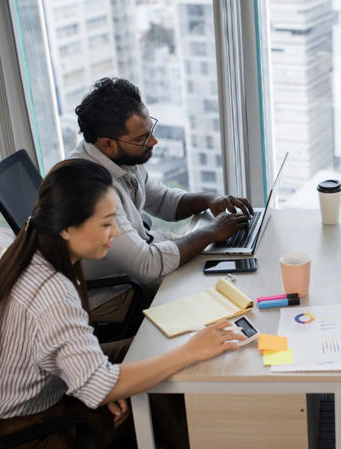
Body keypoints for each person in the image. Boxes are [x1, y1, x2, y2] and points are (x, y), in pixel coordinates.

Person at [0, 159, 246, 449]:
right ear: (67, 227)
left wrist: (106, 381)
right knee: (163, 368)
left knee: (150, 348)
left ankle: (198, 444)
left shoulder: (34, 246)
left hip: (49, 395)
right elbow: (98, 385)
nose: (116, 232)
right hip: (31, 442)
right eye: (106, 223)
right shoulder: (51, 293)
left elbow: (67, 358)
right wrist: (189, 352)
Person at [70, 77, 254, 319]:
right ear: (108, 144)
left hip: (142, 262)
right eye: (142, 139)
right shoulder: (90, 190)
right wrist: (210, 233)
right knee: (215, 302)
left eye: (150, 131)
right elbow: (147, 266)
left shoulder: (121, 158)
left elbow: (164, 202)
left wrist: (210, 200)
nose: (153, 142)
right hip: (114, 295)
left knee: (226, 278)